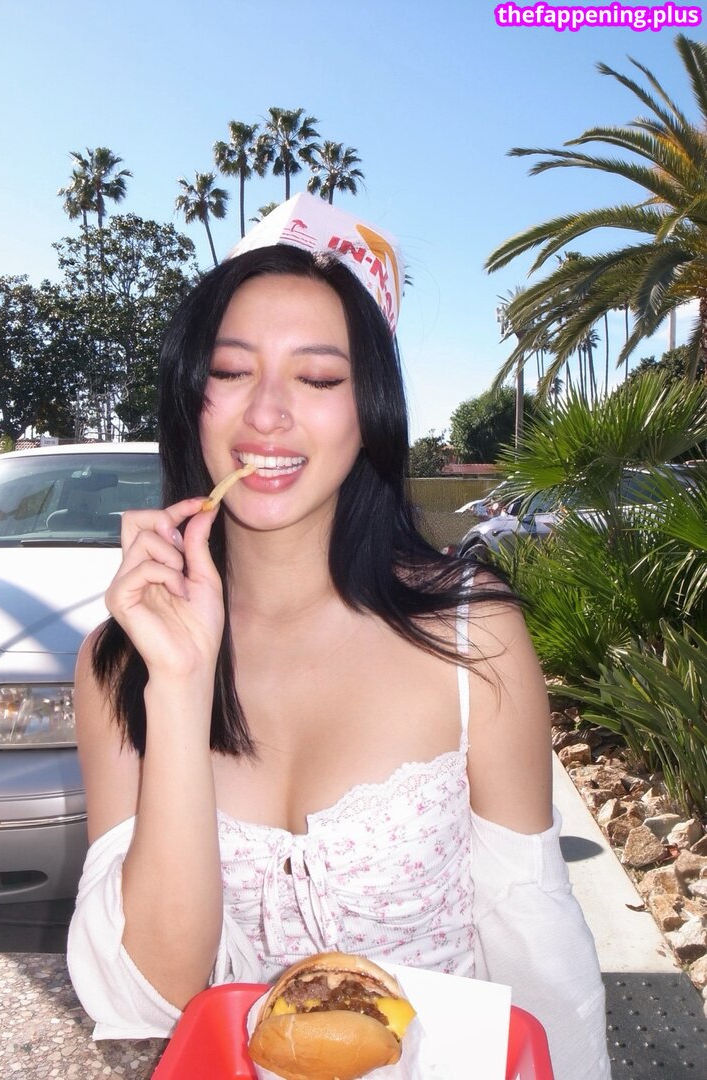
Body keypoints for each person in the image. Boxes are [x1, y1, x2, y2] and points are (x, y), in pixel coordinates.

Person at [67, 199, 611, 1080]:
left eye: (318, 379)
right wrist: (181, 684)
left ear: (370, 411)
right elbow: (151, 1003)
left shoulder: (471, 635)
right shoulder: (120, 662)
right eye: (230, 371)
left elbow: (538, 944)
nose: (267, 414)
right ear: (191, 397)